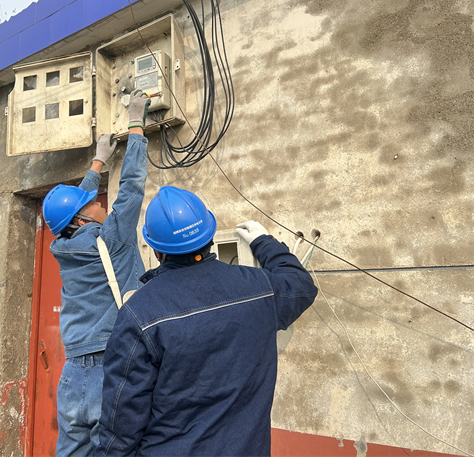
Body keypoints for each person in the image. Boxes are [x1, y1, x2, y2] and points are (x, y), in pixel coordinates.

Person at [96, 186, 318, 457]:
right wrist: (263, 242)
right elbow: (301, 285)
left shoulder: (139, 313)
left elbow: (122, 420)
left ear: (156, 250)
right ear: (210, 235)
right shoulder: (260, 289)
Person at [42, 90, 151, 457]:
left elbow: (69, 212)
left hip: (73, 375)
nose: (100, 202)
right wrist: (136, 122)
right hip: (112, 371)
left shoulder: (62, 246)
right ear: (82, 218)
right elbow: (133, 186)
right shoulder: (114, 239)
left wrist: (98, 162)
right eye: (93, 203)